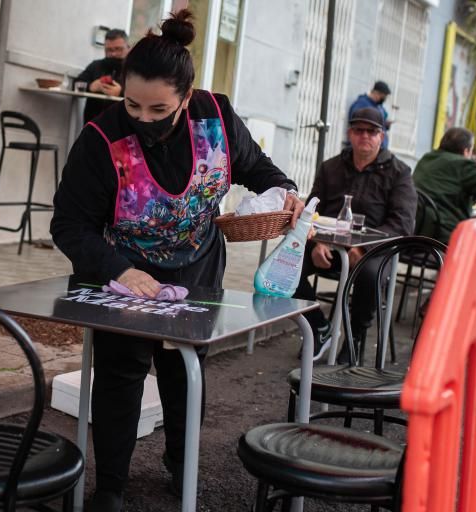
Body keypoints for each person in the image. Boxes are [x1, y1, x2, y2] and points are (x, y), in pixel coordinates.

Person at [51, 11, 304, 511]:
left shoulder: (217, 117)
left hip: (196, 266)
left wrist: (286, 193)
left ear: (186, 99)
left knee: (183, 370)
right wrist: (120, 270)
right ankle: (112, 486)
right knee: (121, 374)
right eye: (132, 105)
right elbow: (69, 224)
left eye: (158, 108)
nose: (143, 119)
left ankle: (180, 467)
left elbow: (257, 169)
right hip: (124, 272)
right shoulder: (101, 140)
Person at [293, 107, 417, 362]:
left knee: (370, 274)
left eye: (372, 131)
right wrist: (317, 241)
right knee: (285, 264)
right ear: (350, 134)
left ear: (381, 136)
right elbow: (312, 211)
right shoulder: (331, 168)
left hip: (372, 250)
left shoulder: (399, 173)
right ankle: (318, 326)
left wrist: (362, 249)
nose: (365, 136)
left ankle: (353, 339)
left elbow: (402, 224)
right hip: (328, 246)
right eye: (359, 130)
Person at [412, 127, 476, 245]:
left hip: (414, 233)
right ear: (466, 151)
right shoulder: (463, 164)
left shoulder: (427, 158)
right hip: (443, 237)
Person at [76, 28, 130, 123]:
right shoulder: (96, 66)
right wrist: (91, 86)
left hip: (122, 127)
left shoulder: (134, 70)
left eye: (118, 49)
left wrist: (121, 93)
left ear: (128, 47)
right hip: (93, 125)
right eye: (109, 50)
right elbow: (76, 84)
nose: (113, 54)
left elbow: (144, 96)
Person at [348, 81, 392, 148]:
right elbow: (358, 125)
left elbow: (379, 121)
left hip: (378, 149)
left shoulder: (378, 106)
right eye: (383, 97)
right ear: (376, 93)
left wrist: (385, 124)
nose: (384, 100)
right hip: (365, 149)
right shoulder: (361, 104)